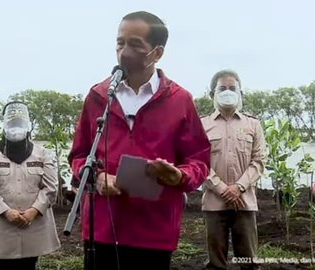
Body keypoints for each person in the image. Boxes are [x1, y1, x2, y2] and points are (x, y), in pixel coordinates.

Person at [68, 11, 210, 270]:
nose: (124, 52)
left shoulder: (180, 100)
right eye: (120, 43)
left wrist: (179, 176)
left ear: (157, 53)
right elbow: (78, 156)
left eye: (135, 45)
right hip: (101, 231)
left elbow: (199, 159)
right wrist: (97, 177)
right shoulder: (98, 96)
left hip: (154, 232)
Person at [0, 101, 60, 270]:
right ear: (4, 126)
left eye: (19, 124)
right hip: (1, 228)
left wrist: (34, 211)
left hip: (33, 226)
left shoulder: (42, 154)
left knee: (29, 265)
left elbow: (51, 187)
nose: (16, 129)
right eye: (12, 124)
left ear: (28, 127)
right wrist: (6, 211)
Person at [200, 69, 267, 270]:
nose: (227, 92)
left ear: (240, 93)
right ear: (212, 94)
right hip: (214, 202)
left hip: (244, 202)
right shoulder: (202, 125)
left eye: (232, 88)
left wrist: (239, 187)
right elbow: (198, 162)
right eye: (222, 88)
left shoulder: (253, 125)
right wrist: (221, 188)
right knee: (215, 262)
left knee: (248, 260)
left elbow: (259, 160)